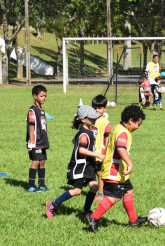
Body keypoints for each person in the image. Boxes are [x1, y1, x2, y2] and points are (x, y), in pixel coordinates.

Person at [85, 105, 147, 233]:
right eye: (138, 124)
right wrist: (130, 163)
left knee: (129, 190)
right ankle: (94, 218)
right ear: (131, 120)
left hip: (119, 172)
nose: (138, 127)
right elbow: (120, 148)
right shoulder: (123, 132)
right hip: (113, 171)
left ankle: (133, 220)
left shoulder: (118, 127)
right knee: (114, 196)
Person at [46, 105, 104, 219]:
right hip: (80, 167)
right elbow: (81, 149)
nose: (94, 120)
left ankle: (86, 211)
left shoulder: (87, 131)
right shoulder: (84, 133)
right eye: (92, 118)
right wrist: (97, 154)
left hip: (88, 166)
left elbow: (74, 141)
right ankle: (52, 204)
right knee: (77, 191)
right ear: (83, 119)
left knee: (94, 186)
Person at [90, 95, 111, 203]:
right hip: (90, 152)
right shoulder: (90, 120)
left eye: (99, 108)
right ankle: (94, 191)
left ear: (105, 108)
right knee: (91, 171)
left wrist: (106, 152)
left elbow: (107, 137)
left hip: (100, 152)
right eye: (95, 108)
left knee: (99, 173)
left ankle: (101, 193)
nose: (97, 110)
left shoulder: (105, 121)